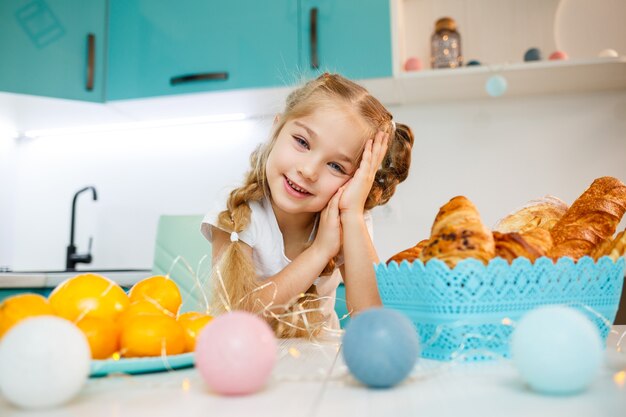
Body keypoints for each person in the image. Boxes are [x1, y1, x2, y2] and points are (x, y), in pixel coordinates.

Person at [201, 73, 414, 337]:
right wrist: (319, 251)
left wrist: (352, 216)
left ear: (357, 180)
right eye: (302, 142)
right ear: (276, 130)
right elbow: (239, 316)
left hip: (321, 369)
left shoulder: (350, 219)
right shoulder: (236, 210)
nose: (309, 171)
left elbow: (373, 321)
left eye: (336, 166)